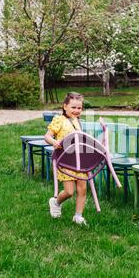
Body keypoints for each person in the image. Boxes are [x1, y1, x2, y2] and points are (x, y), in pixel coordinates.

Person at [44, 92, 88, 225]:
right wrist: (53, 142)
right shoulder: (59, 120)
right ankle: (56, 202)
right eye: (73, 107)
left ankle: (78, 216)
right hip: (65, 160)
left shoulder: (78, 121)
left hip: (80, 159)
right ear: (65, 106)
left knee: (82, 189)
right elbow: (47, 136)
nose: (76, 110)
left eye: (79, 108)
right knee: (69, 192)